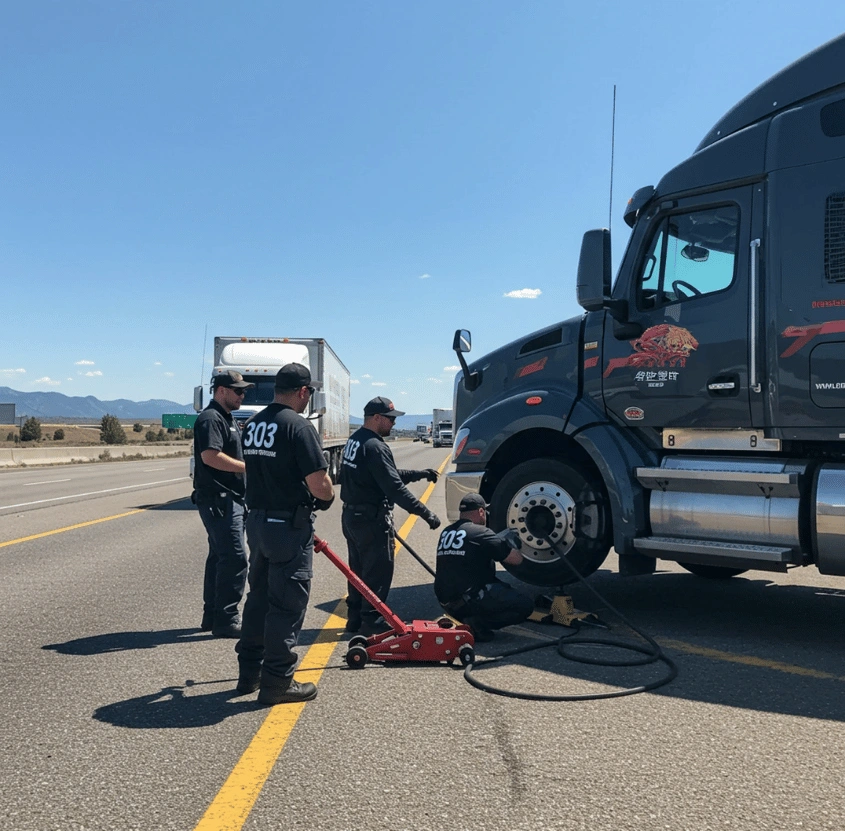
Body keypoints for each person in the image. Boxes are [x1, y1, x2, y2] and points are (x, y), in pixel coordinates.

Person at [235, 363, 335, 705]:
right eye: (310, 393)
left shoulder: (252, 426)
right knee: (287, 604)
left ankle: (249, 672)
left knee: (259, 598)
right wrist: (328, 496)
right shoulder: (298, 427)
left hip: (257, 522)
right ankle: (278, 681)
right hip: (288, 528)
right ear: (303, 392)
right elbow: (320, 487)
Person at [339, 396, 441, 636]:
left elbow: (387, 474)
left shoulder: (356, 441)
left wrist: (421, 474)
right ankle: (371, 622)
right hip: (371, 520)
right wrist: (425, 513)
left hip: (352, 517)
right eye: (390, 419)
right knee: (377, 572)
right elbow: (394, 487)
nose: (393, 424)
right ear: (376, 418)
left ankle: (354, 617)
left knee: (358, 571)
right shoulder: (375, 446)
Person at [192, 369, 253, 638]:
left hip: (229, 500)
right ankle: (226, 619)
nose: (243, 395)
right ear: (221, 390)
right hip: (220, 500)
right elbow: (210, 456)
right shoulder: (211, 418)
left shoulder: (226, 417)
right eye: (238, 390)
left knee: (219, 557)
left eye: (244, 391)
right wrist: (249, 467)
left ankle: (212, 614)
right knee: (235, 559)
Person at [434, 492, 533, 641]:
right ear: (481, 511)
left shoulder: (446, 532)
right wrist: (512, 543)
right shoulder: (481, 533)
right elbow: (516, 560)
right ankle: (477, 624)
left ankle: (467, 619)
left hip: (448, 604)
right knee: (525, 605)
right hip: (470, 600)